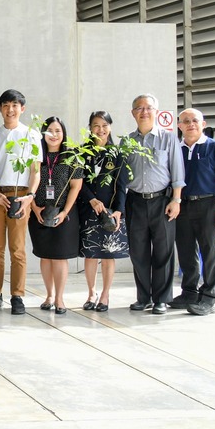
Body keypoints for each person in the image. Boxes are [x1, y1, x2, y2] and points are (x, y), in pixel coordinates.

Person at [0, 89, 41, 315]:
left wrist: (30, 197)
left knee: (17, 249)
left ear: (22, 108)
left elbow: (35, 171)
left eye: (15, 105)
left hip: (21, 196)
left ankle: (17, 296)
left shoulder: (32, 135)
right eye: (6, 105)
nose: (10, 109)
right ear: (0, 109)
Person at [125, 94, 185, 315]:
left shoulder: (168, 139)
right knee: (138, 253)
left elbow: (177, 171)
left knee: (163, 252)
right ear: (133, 113)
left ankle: (161, 299)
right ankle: (144, 297)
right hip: (135, 202)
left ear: (156, 112)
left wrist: (176, 200)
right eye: (139, 108)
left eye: (149, 108)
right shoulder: (127, 142)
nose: (144, 112)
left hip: (162, 202)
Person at [172, 108, 215, 316]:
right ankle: (189, 292)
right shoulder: (176, 149)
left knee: (210, 252)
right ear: (179, 126)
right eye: (186, 121)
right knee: (186, 251)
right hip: (182, 205)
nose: (191, 124)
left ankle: (209, 297)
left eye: (195, 120)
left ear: (203, 124)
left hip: (208, 205)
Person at [28, 117, 83, 314]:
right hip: (39, 212)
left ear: (63, 133)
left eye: (58, 130)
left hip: (63, 214)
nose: (54, 134)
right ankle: (49, 295)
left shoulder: (72, 156)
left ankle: (59, 298)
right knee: (45, 256)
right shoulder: (36, 155)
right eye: (49, 130)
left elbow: (76, 187)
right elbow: (28, 182)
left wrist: (65, 211)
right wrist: (34, 207)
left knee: (59, 257)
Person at [77, 111, 128, 312]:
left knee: (108, 254)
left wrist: (119, 211)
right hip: (88, 209)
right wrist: (91, 199)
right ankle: (91, 293)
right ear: (90, 128)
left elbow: (122, 185)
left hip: (110, 212)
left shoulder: (118, 153)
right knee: (90, 254)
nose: (101, 130)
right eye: (96, 125)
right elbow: (78, 182)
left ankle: (105, 295)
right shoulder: (82, 153)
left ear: (110, 127)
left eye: (105, 125)